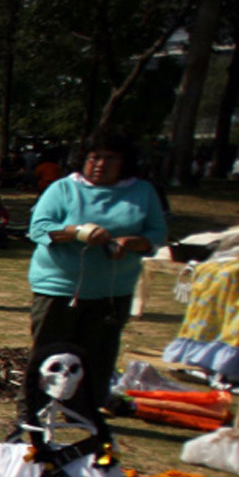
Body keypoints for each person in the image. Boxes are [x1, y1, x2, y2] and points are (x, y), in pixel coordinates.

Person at [25, 130, 167, 418]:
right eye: (94, 157)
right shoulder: (64, 189)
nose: (101, 164)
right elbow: (39, 229)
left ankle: (82, 414)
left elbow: (157, 234)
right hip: (60, 288)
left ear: (124, 162)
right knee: (49, 354)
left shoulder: (142, 192)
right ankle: (31, 413)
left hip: (111, 291)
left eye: (110, 158)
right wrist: (77, 232)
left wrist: (132, 243)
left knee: (98, 358)